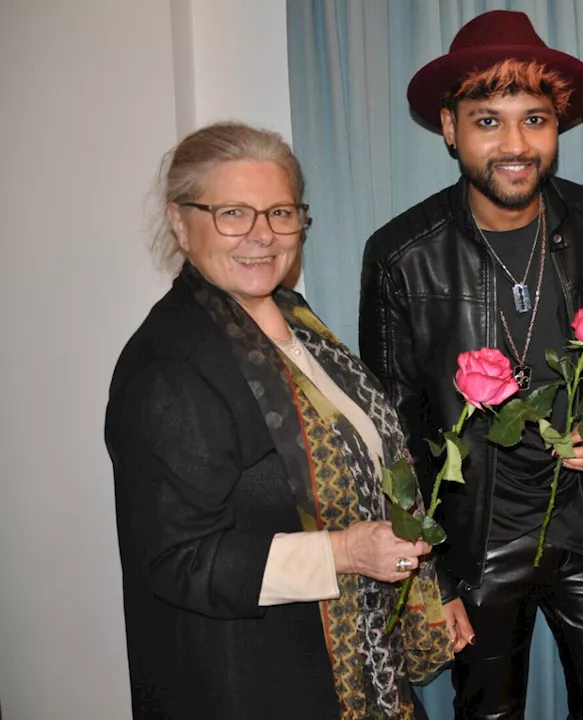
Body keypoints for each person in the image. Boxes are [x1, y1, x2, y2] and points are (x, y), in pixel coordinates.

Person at [105, 122, 454, 720]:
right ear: (180, 222)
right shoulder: (168, 365)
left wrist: (434, 587)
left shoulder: (295, 322)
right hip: (252, 680)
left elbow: (374, 465)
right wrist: (343, 552)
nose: (261, 236)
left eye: (280, 213)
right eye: (233, 213)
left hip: (359, 663)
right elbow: (179, 560)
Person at [360, 10, 583, 719]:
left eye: (535, 119)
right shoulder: (401, 254)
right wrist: (435, 574)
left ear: (558, 128)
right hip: (474, 544)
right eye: (489, 121)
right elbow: (396, 427)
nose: (516, 145)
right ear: (451, 128)